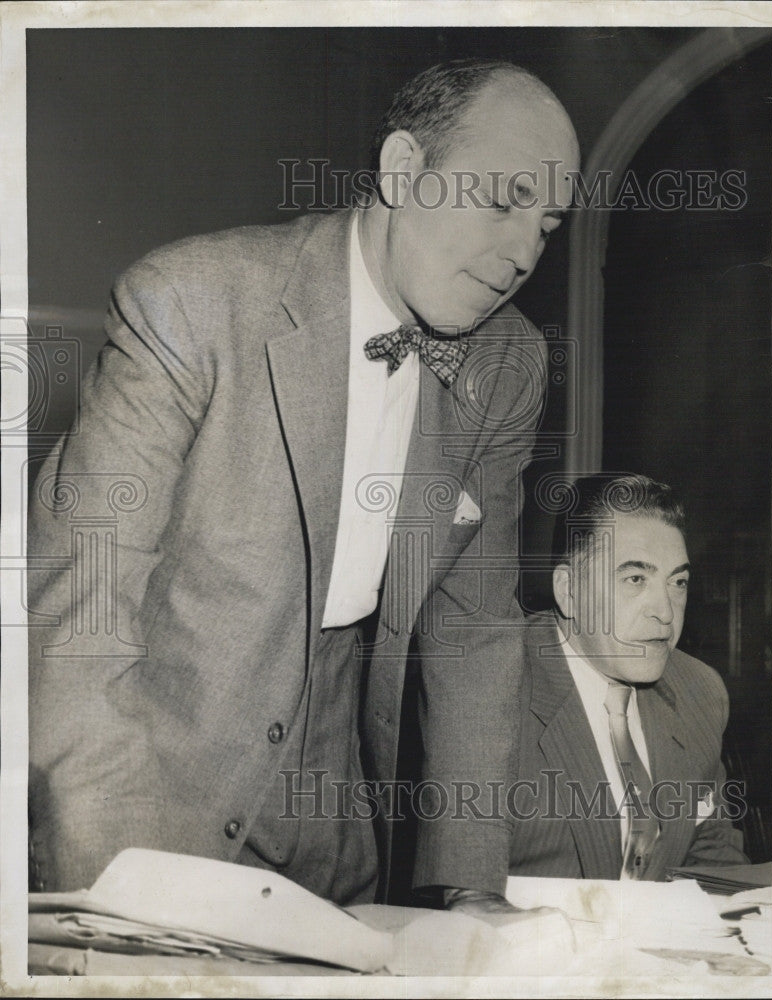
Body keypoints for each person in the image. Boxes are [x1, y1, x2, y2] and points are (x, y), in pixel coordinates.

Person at [28, 58, 580, 911]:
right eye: (502, 201)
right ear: (403, 170)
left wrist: (471, 884)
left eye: (545, 226)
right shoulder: (191, 302)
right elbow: (81, 617)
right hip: (146, 791)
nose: (520, 256)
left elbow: (474, 632)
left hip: (337, 823)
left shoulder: (508, 363)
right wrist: (109, 887)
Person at [510, 473, 748, 879]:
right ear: (569, 591)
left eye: (678, 582)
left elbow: (712, 853)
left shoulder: (700, 691)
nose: (667, 613)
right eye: (635, 579)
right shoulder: (491, 689)